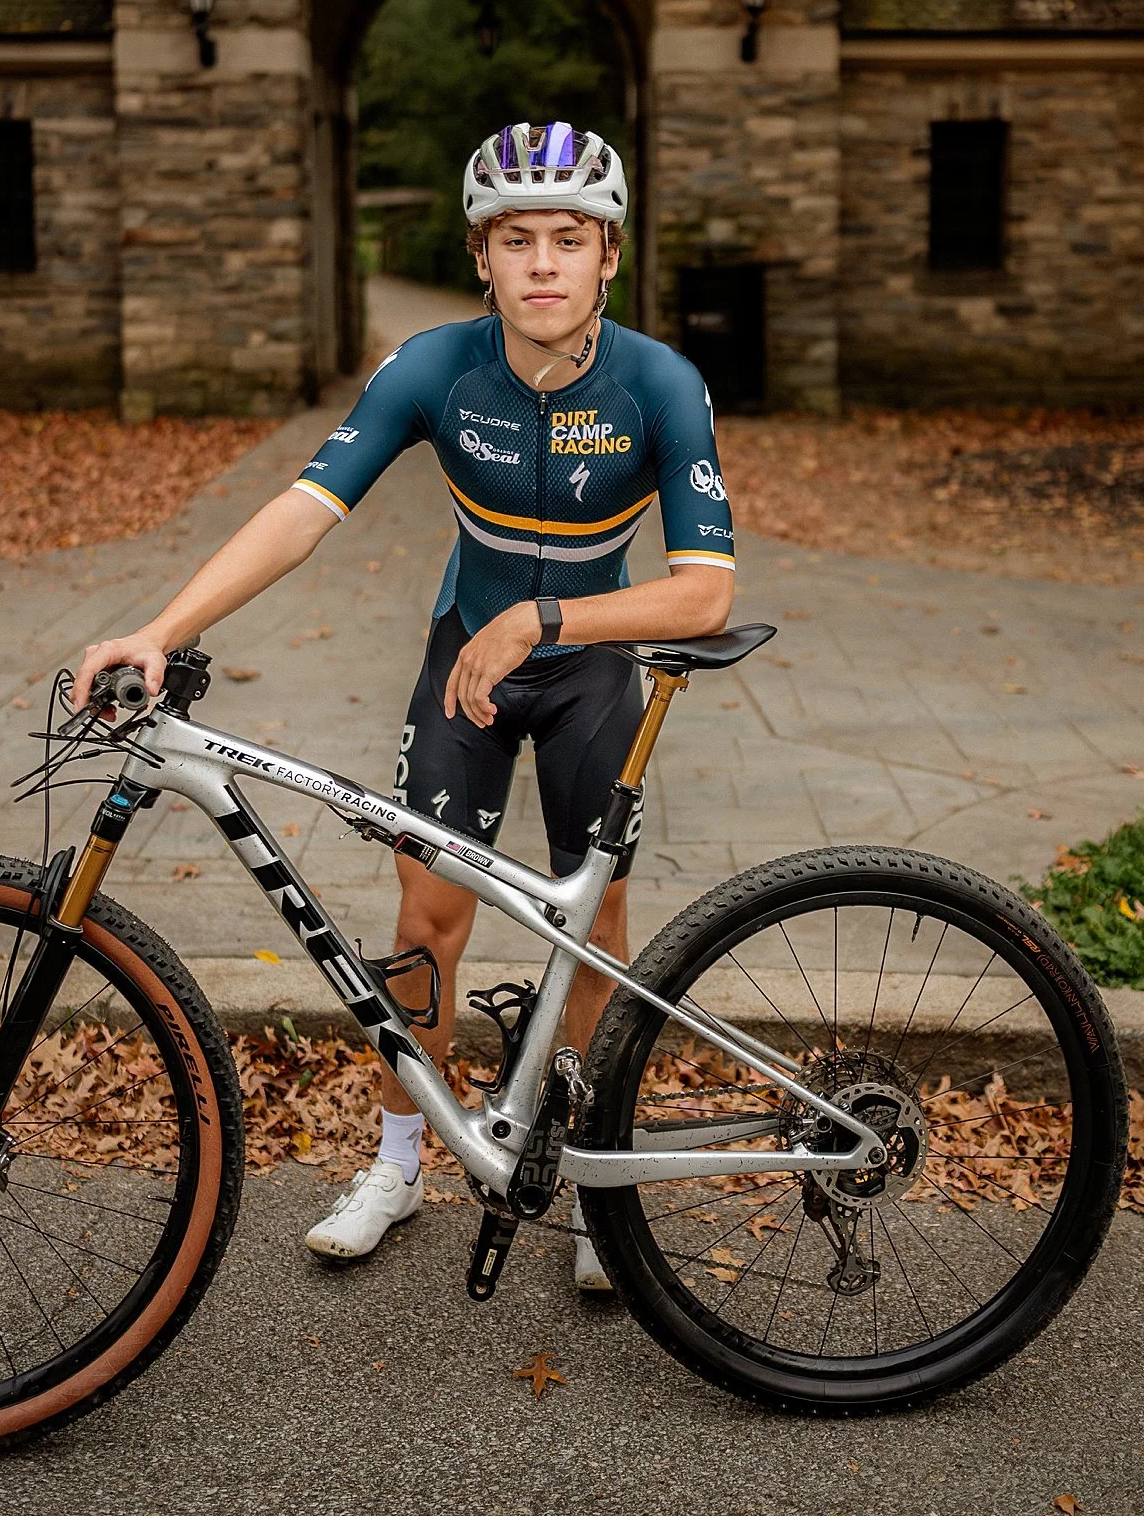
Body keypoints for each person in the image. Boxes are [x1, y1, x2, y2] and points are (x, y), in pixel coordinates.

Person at [71, 121, 735, 1290]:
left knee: (597, 932)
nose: (541, 262)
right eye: (515, 238)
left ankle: (586, 1172)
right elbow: (303, 507)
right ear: (481, 256)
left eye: (567, 239)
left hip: (585, 668)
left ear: (610, 255)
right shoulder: (435, 367)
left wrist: (543, 620)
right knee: (427, 923)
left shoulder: (661, 382)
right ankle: (396, 1161)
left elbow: (705, 588)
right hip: (457, 670)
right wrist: (159, 630)